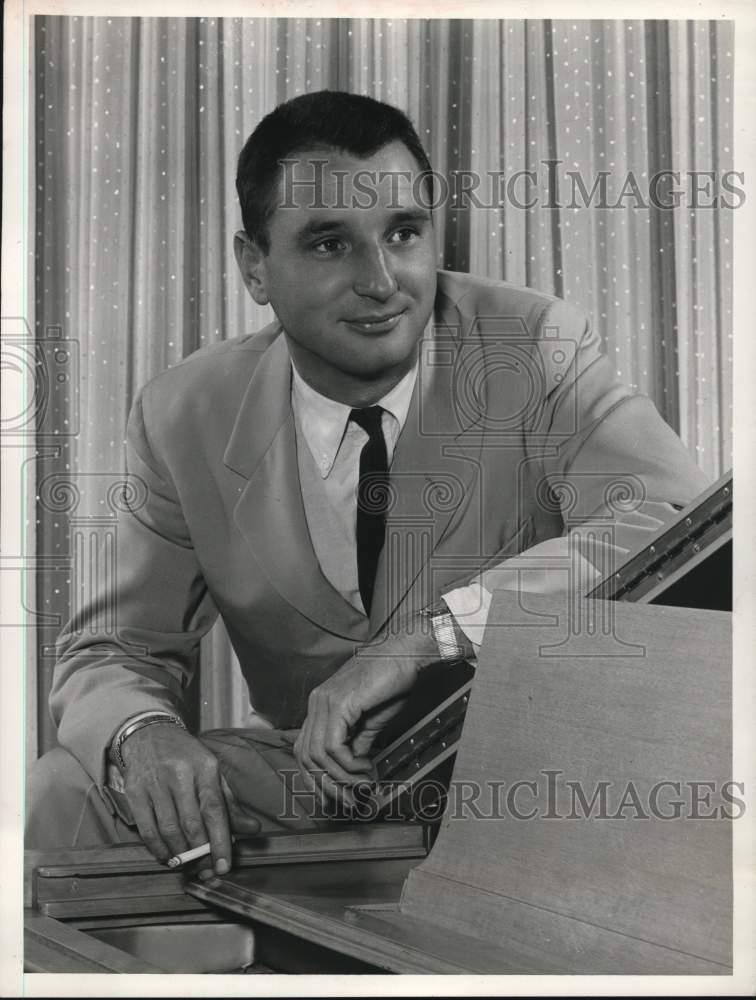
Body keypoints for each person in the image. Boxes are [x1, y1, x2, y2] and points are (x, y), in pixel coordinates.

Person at [26, 91, 708, 880]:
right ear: (254, 267)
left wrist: (426, 640)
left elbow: (673, 520)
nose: (381, 280)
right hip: (313, 782)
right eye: (328, 245)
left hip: (527, 779)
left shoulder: (536, 342)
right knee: (64, 788)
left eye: (403, 233)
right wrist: (142, 737)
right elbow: (114, 646)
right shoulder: (184, 412)